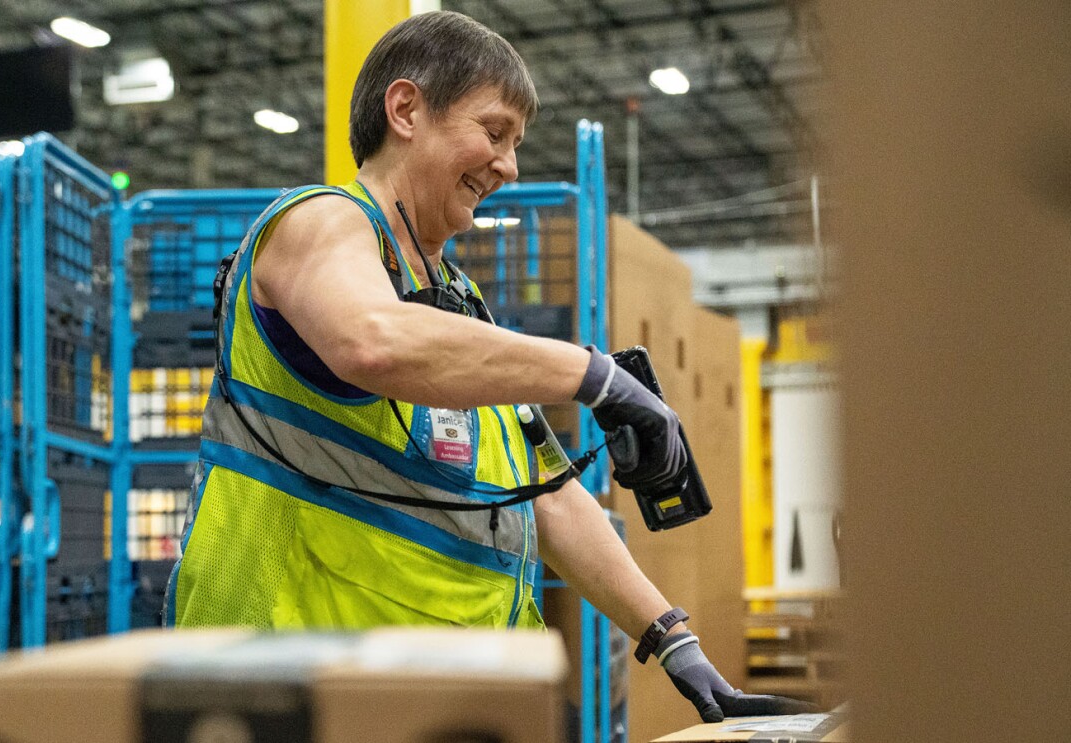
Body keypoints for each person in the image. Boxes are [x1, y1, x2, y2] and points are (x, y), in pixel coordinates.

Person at [167, 10, 813, 723]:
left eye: (515, 144)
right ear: (406, 109)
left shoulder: (459, 307)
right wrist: (595, 374)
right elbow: (371, 340)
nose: (508, 165)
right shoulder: (319, 223)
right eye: (495, 131)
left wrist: (671, 637)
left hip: (436, 700)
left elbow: (545, 492)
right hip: (291, 692)